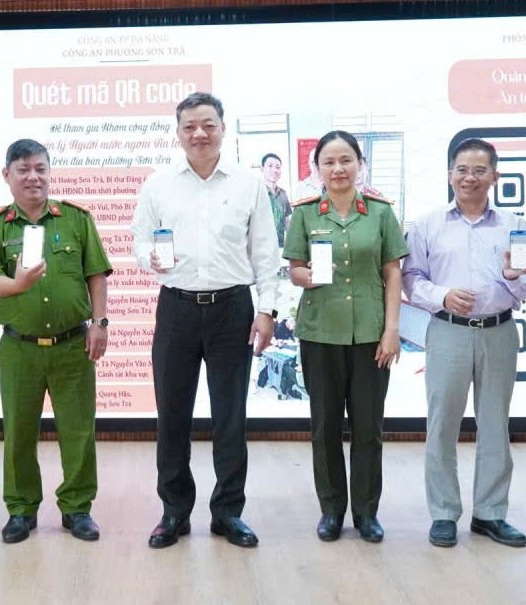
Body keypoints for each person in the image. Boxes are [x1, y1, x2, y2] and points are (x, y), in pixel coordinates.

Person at [131, 92, 278, 549]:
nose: (200, 133)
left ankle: (228, 512)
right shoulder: (158, 185)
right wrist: (150, 258)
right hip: (176, 308)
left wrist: (267, 310)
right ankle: (174, 511)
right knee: (172, 415)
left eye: (208, 124)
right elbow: (139, 241)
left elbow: (265, 251)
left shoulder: (249, 184)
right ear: (178, 133)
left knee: (230, 416)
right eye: (190, 126)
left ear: (223, 129)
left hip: (232, 308)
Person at [401, 138, 526, 548]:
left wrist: (516, 277)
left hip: (500, 331)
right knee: (442, 423)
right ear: (450, 175)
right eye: (462, 170)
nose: (470, 178)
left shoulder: (515, 224)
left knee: (495, 423)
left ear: (494, 176)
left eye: (480, 171)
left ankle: (490, 513)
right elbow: (411, 279)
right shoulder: (427, 225)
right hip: (447, 331)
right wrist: (442, 296)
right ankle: (444, 513)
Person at [0, 138, 111, 545]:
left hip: (73, 345)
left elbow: (96, 274)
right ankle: (21, 509)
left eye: (40, 168)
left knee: (78, 430)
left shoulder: (76, 219)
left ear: (50, 173)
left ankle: (77, 508)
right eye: (23, 170)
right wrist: (17, 285)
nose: (33, 177)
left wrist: (99, 323)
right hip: (20, 348)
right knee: (18, 431)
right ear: (7, 175)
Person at [283, 130, 407, 543]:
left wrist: (391, 330)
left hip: (371, 334)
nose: (338, 169)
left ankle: (367, 513)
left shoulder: (380, 212)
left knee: (369, 428)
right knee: (326, 427)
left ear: (359, 164)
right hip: (320, 333)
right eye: (329, 162)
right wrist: (308, 276)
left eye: (346, 160)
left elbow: (393, 272)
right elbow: (294, 270)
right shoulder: (305, 213)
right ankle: (332, 510)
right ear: (317, 168)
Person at [261, 153, 291, 246]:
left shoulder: (283, 194)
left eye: (277, 167)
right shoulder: (257, 193)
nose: (274, 170)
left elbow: (287, 220)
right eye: (270, 166)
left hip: (280, 246)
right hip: (261, 246)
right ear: (262, 169)